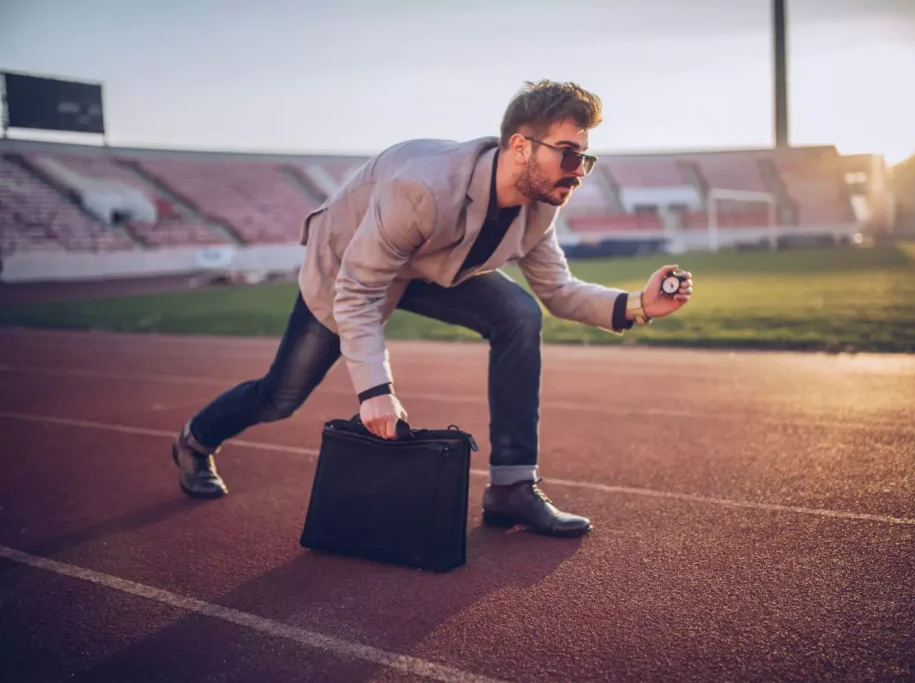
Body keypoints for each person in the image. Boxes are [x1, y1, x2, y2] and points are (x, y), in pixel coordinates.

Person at [171, 80, 694, 538]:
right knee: (280, 396)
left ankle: (512, 487)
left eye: (586, 157)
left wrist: (638, 306)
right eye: (569, 154)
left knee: (519, 314)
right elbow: (358, 288)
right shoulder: (422, 188)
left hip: (432, 264)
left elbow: (557, 290)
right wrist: (375, 392)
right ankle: (195, 440)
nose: (579, 172)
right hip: (350, 264)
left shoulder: (539, 206)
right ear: (520, 146)